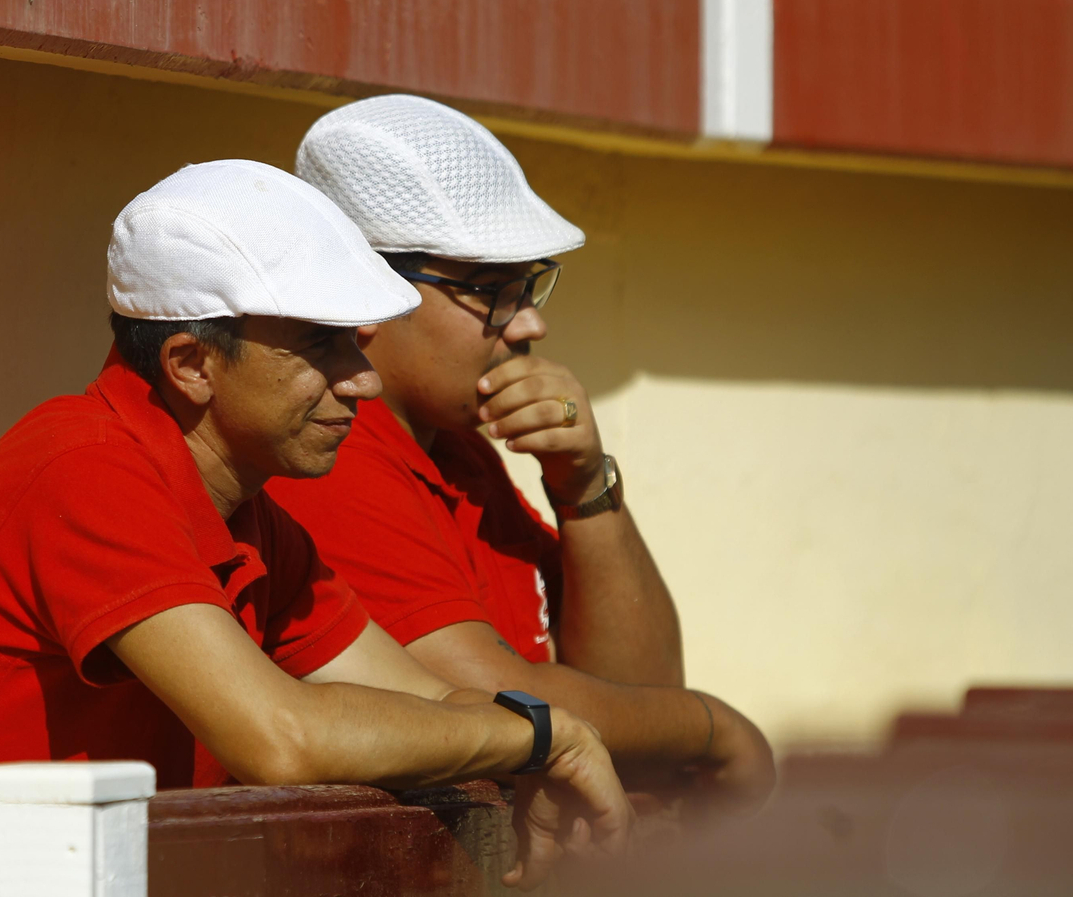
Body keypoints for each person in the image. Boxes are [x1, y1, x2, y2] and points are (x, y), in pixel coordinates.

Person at [0, 159, 630, 896]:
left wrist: (527, 743)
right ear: (191, 364)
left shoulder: (249, 514)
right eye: (322, 346)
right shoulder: (84, 469)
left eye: (361, 345)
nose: (363, 383)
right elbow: (282, 739)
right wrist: (540, 739)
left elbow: (428, 699)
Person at [265, 97, 775, 810]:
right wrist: (713, 727)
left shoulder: (460, 447)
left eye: (528, 286)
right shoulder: (330, 454)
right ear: (371, 294)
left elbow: (642, 691)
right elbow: (480, 688)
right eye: (493, 292)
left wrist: (584, 483)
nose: (531, 323)